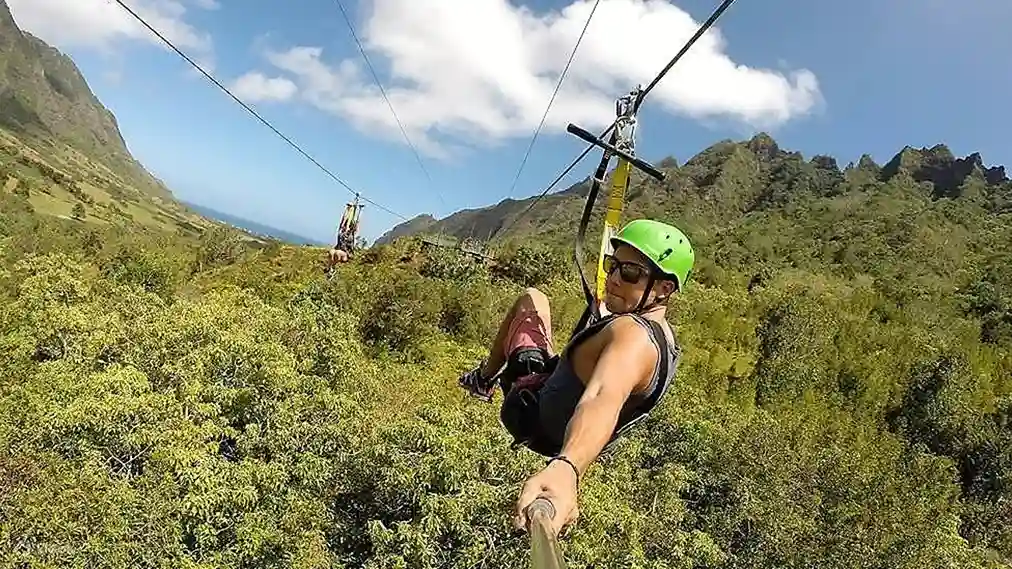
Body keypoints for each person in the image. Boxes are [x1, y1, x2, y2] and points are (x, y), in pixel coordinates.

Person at [456, 218, 694, 537]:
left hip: (533, 416)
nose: (613, 278)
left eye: (630, 273)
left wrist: (567, 468)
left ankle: (484, 379)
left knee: (531, 298)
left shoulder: (632, 337)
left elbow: (603, 396)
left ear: (665, 289)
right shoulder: (665, 341)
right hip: (561, 428)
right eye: (612, 266)